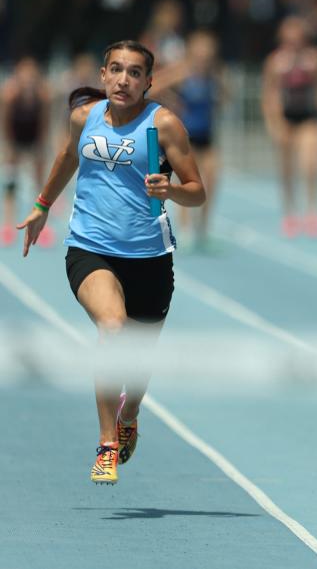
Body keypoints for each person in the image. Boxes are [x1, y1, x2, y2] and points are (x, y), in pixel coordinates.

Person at [17, 40, 205, 485]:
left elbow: (197, 190)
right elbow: (67, 158)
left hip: (149, 257)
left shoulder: (165, 125)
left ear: (148, 82)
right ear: (103, 75)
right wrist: (43, 205)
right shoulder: (84, 117)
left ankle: (130, 415)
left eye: (135, 72)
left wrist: (171, 191)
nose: (124, 80)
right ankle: (106, 443)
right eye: (116, 70)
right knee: (113, 330)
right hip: (90, 247)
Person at [261, 16, 317, 238]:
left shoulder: (314, 59)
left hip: (309, 116)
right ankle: (290, 212)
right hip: (286, 117)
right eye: (289, 38)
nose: (294, 42)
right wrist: (273, 122)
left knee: (311, 164)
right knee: (287, 169)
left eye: (298, 38)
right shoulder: (276, 62)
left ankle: (313, 210)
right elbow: (270, 94)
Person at [153, 29, 225, 251]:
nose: (204, 57)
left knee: (211, 182)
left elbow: (223, 98)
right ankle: (184, 229)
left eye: (208, 53)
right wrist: (173, 100)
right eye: (200, 53)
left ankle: (202, 229)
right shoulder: (182, 72)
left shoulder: (214, 75)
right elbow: (154, 86)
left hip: (208, 137)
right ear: (192, 52)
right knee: (188, 182)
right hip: (186, 138)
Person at [2, 56, 52, 247]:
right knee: (10, 184)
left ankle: (41, 225)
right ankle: (7, 224)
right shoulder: (9, 96)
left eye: (32, 77)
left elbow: (44, 125)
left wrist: (40, 149)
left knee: (41, 186)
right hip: (16, 137)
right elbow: (5, 123)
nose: (28, 81)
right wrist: (9, 147)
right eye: (25, 77)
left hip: (34, 137)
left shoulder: (43, 96)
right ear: (18, 78)